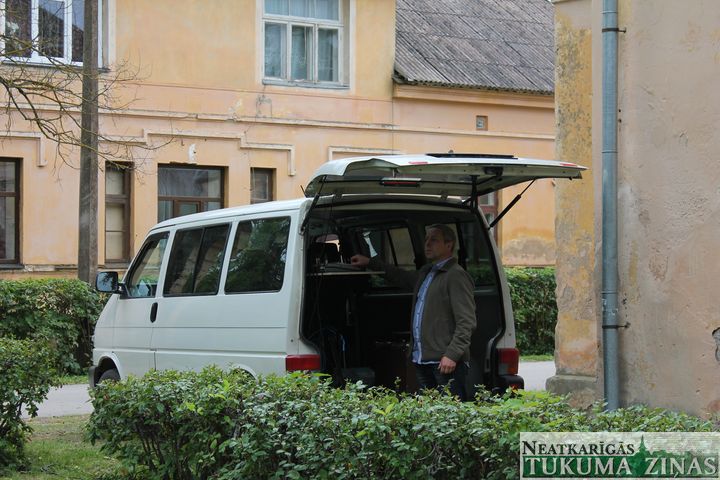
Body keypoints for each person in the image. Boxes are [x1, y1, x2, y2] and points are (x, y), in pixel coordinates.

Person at [351, 224, 476, 400]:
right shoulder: (427, 272)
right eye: (426, 240)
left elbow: (467, 321)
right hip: (422, 360)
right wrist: (370, 262)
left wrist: (452, 355)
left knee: (450, 413)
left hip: (445, 363)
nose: (427, 244)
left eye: (434, 240)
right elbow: (400, 276)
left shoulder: (455, 275)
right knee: (428, 412)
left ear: (449, 245)